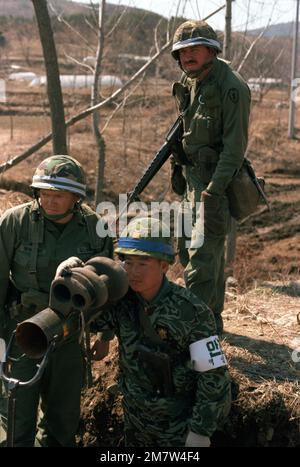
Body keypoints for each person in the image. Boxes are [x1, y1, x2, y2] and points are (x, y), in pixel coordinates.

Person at [0, 155, 113, 447]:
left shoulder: (94, 227)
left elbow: (106, 282)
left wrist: (104, 334)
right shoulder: (15, 222)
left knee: (63, 419)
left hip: (69, 333)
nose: (49, 201)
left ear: (75, 197)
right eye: (44, 194)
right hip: (21, 330)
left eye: (58, 196)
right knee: (15, 416)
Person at [91, 216, 231, 447]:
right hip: (135, 422)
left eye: (143, 263)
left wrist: (201, 431)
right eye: (128, 262)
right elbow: (88, 321)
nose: (133, 271)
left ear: (164, 266)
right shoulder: (122, 301)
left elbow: (213, 375)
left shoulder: (192, 312)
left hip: (177, 427)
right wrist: (74, 276)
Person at [170, 20, 251, 333]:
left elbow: (234, 149)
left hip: (216, 185)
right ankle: (211, 322)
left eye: (195, 49)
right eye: (183, 51)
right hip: (192, 180)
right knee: (191, 254)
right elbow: (187, 129)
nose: (188, 56)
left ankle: (196, 332)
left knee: (203, 259)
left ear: (211, 51)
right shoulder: (190, 80)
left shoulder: (233, 88)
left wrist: (214, 191)